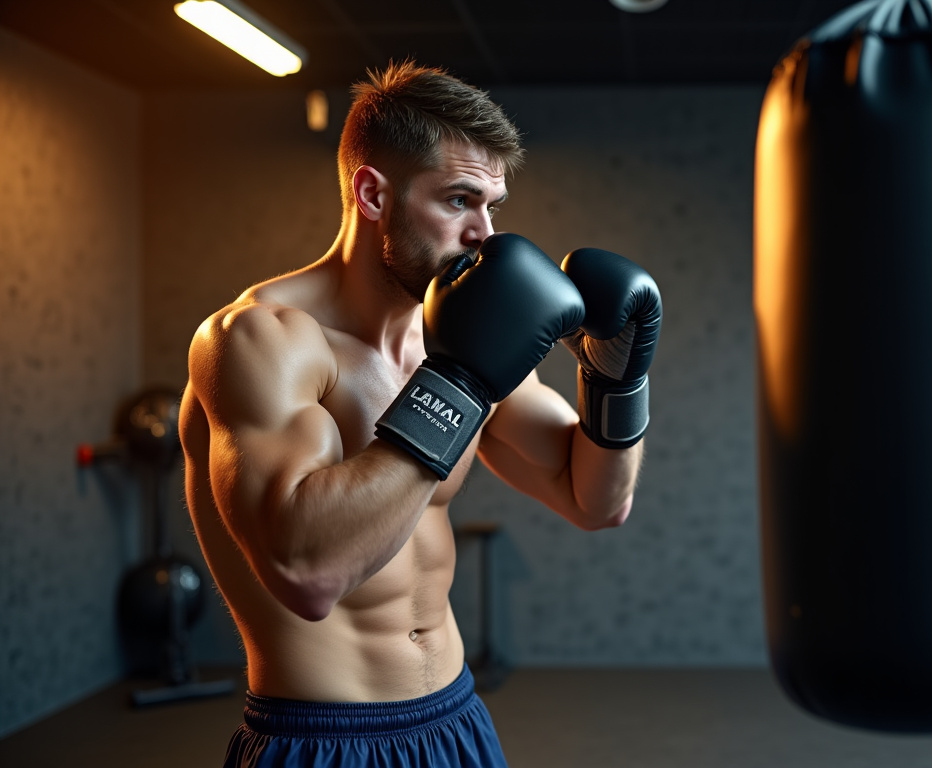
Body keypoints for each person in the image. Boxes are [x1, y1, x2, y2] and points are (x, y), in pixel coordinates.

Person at [179, 61, 661, 768]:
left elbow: (597, 501)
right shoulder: (259, 340)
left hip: (455, 719)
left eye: (493, 206)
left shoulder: (461, 336)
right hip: (324, 740)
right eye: (459, 200)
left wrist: (616, 380)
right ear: (373, 193)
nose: (484, 233)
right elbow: (308, 574)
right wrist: (459, 383)